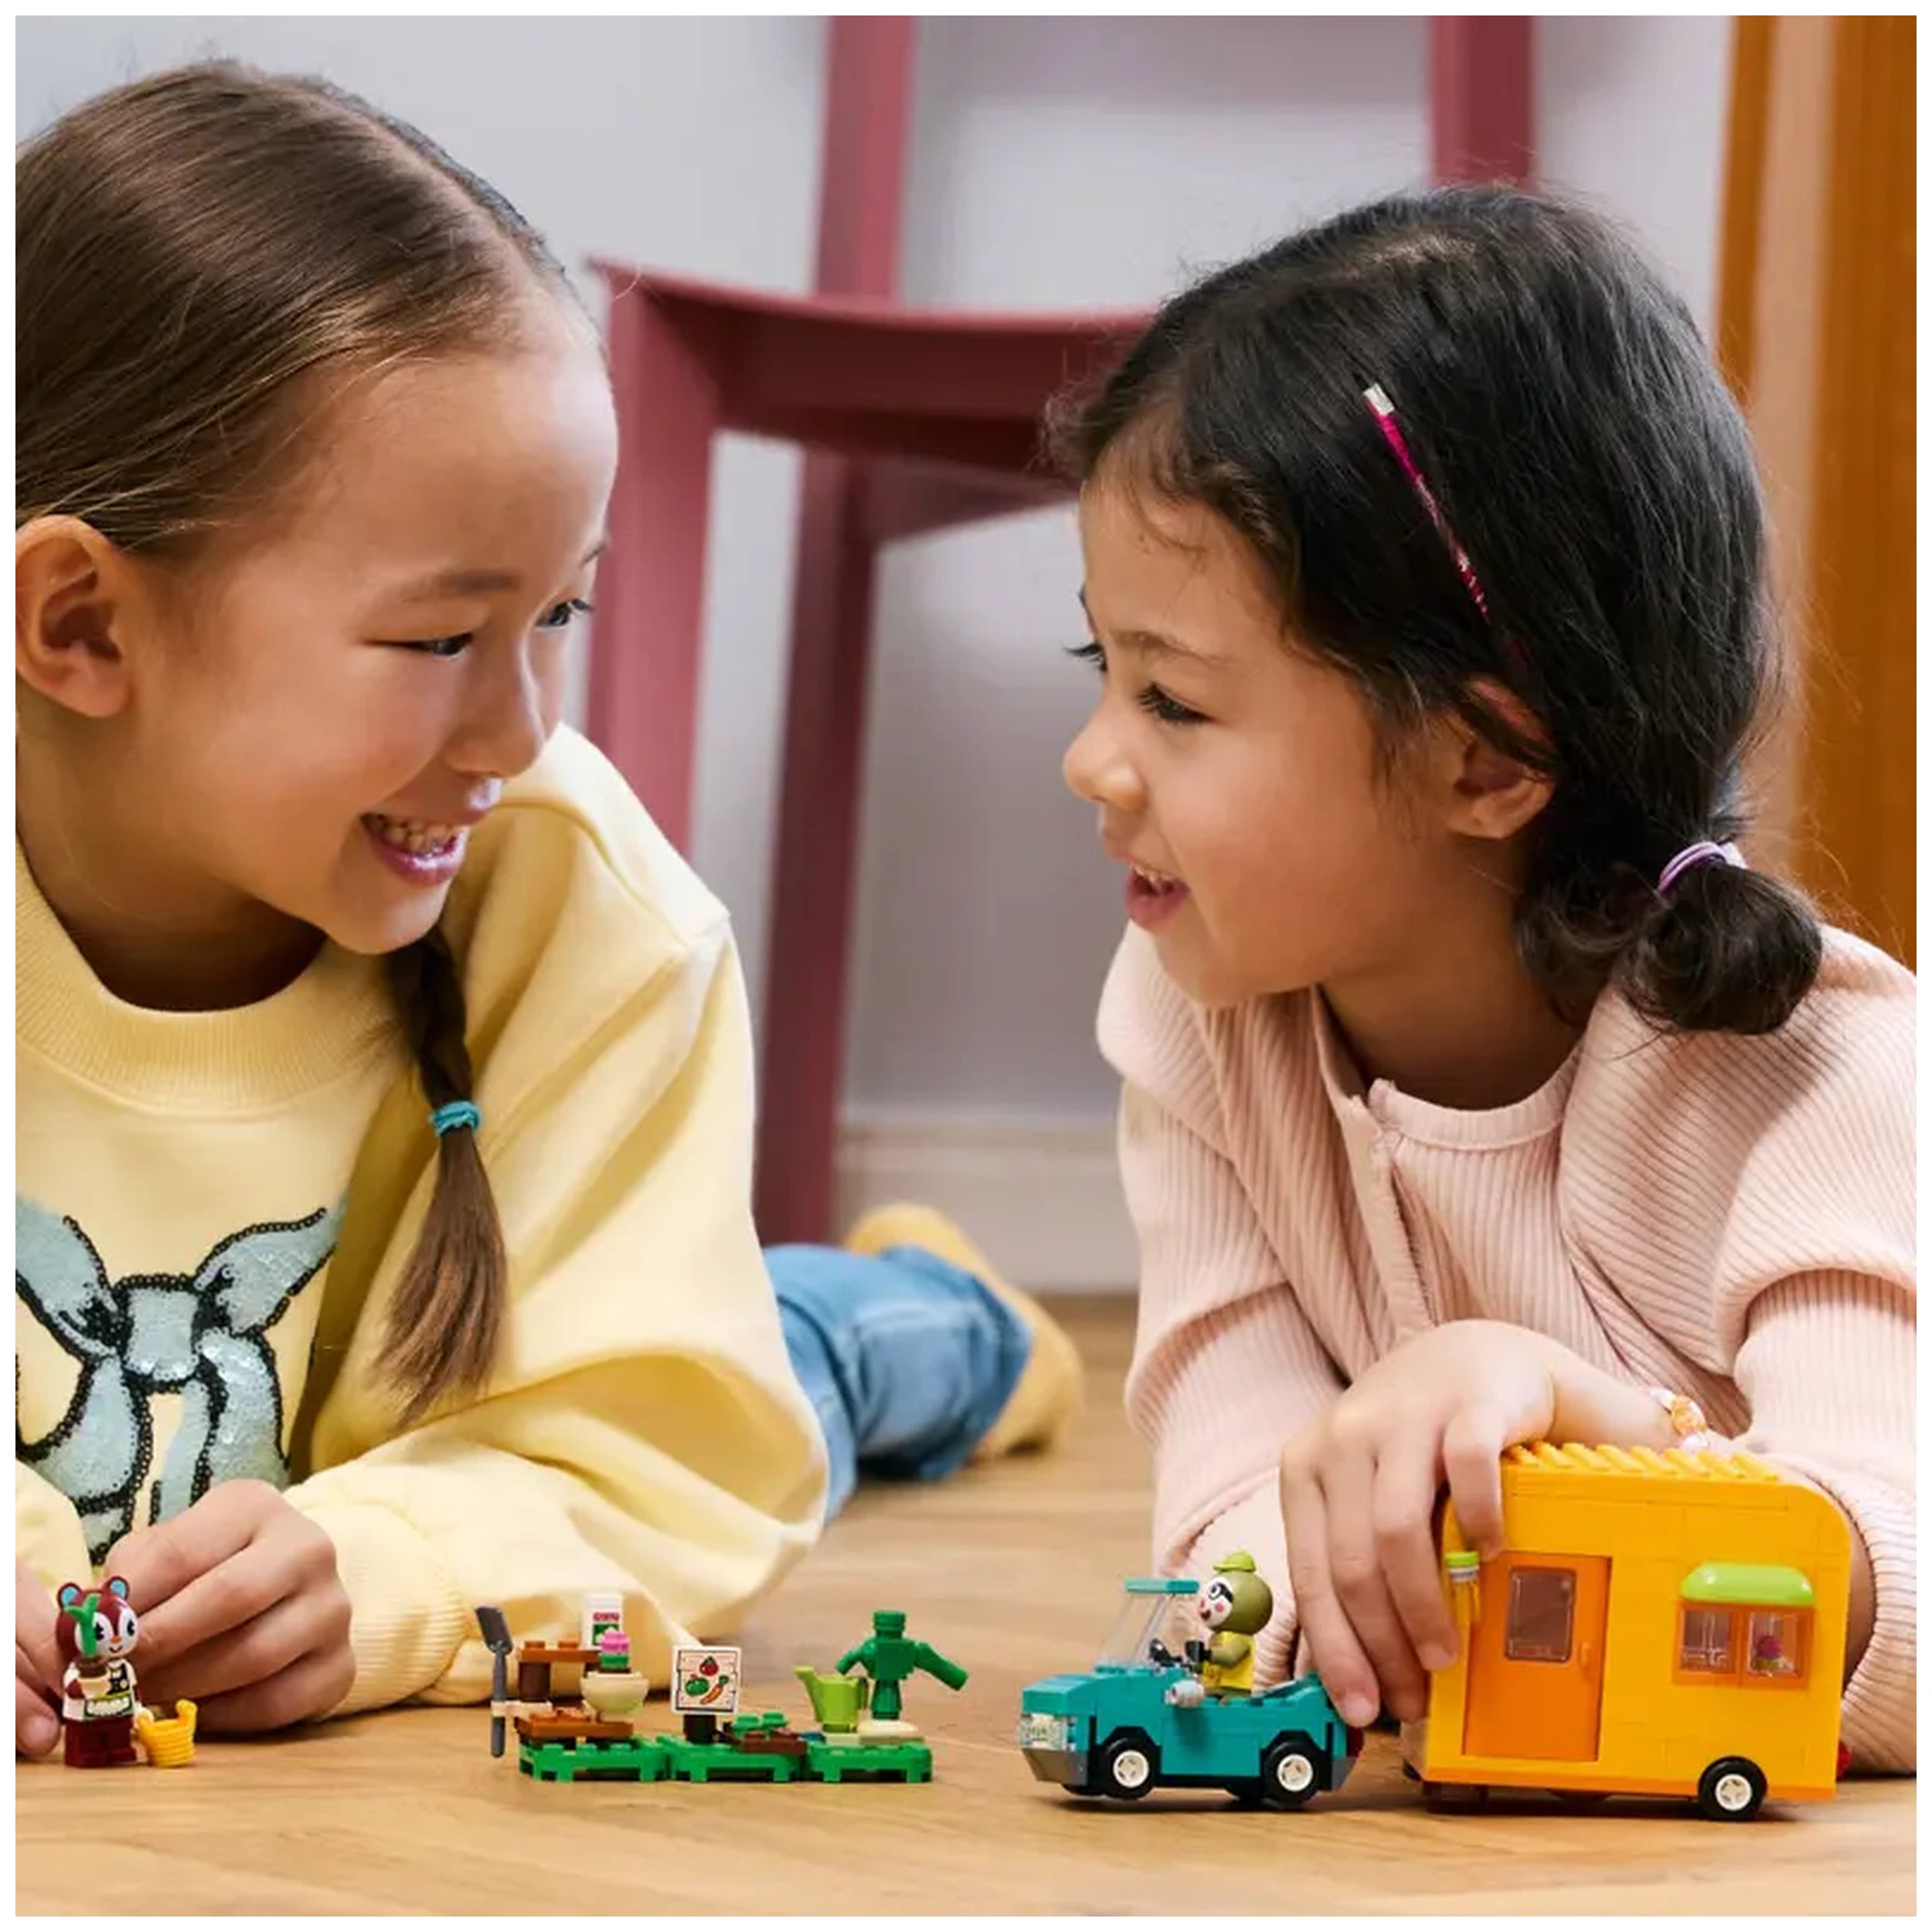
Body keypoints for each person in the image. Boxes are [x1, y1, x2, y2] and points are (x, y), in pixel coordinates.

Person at [15, 63, 1078, 1758]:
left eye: (560, 611)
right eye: (443, 636)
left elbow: (670, 1448)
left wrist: (393, 1566)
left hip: (556, 1374)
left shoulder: (598, 913)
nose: (523, 731)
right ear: (80, 623)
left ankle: (933, 1313)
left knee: (795, 1363)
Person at [1057, 187, 1913, 1771]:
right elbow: (1227, 1550)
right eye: (1094, 667)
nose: (1090, 759)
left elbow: (1898, 1608)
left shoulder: (1817, 1080)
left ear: (1486, 754)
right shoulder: (1195, 1013)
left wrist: (1594, 1435)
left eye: (1170, 699)